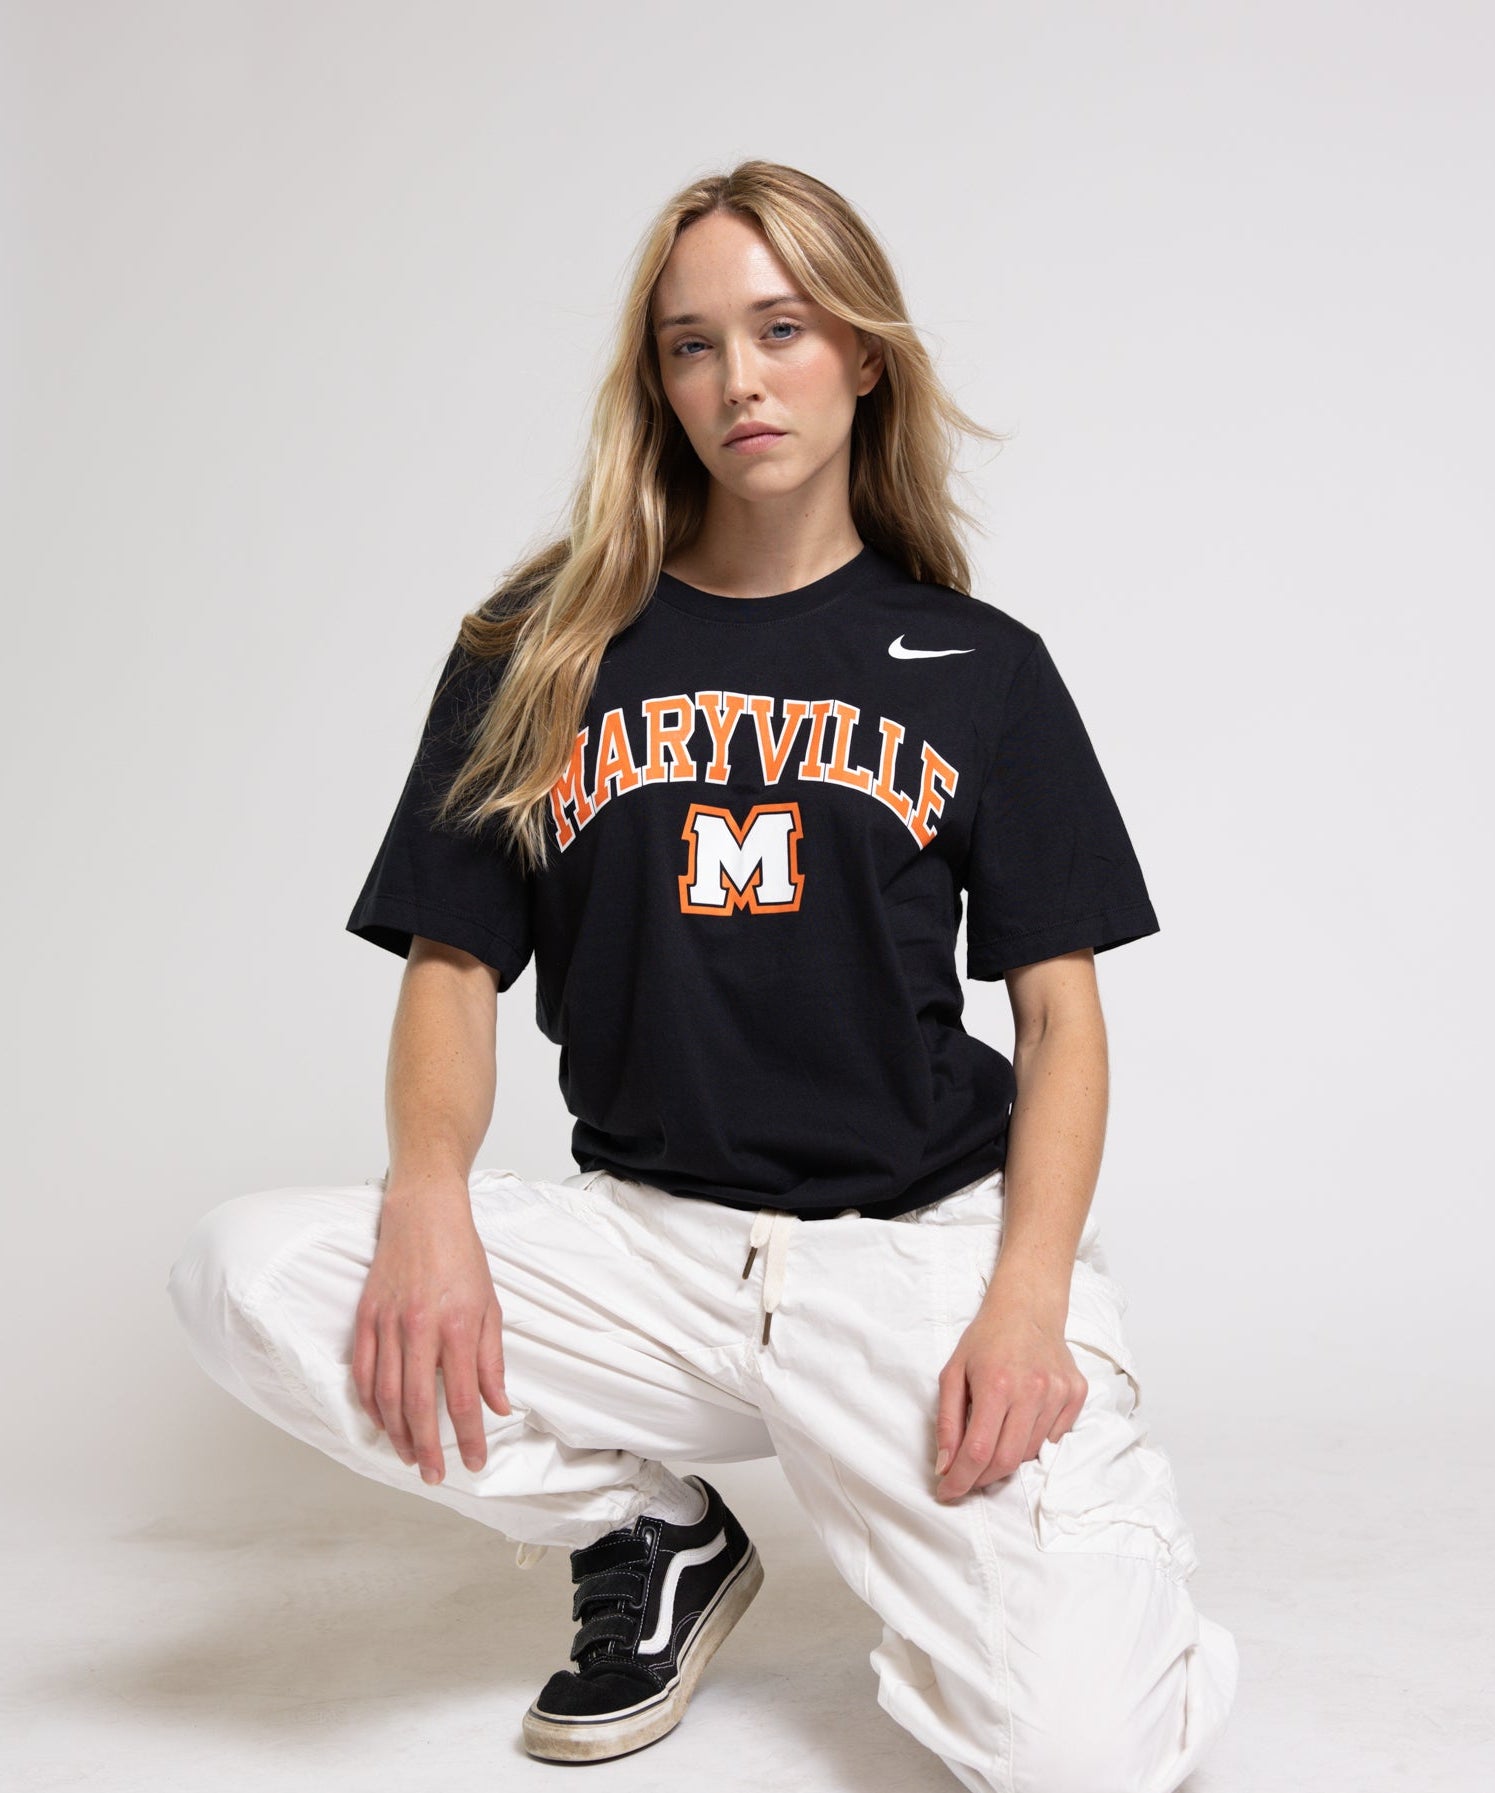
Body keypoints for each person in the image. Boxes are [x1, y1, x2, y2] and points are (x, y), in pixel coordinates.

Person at [167, 160, 1239, 1790]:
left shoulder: (982, 670)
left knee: (1087, 1761)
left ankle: (1094, 1576)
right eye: (690, 345)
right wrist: (431, 1192)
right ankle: (653, 1530)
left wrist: (1027, 1302)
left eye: (782, 328)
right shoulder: (541, 647)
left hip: (910, 1265)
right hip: (651, 1254)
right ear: (653, 381)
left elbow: (1060, 1015)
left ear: (862, 354)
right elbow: (454, 964)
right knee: (246, 1272)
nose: (738, 380)